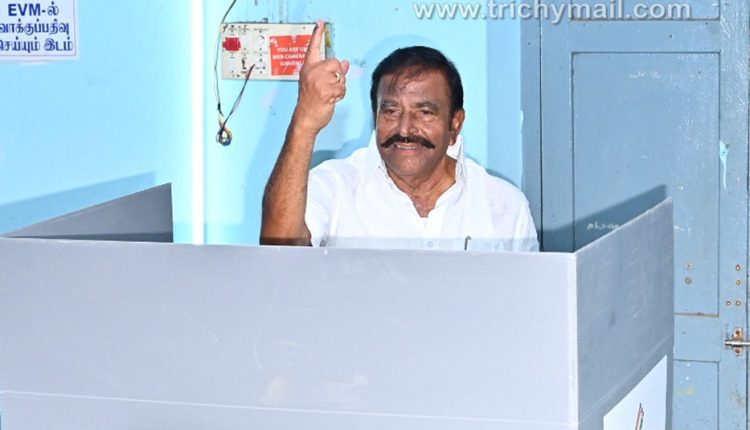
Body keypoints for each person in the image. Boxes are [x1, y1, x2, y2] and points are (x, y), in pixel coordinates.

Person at [260, 21, 538, 252]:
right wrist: (304, 125)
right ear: (375, 115)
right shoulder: (337, 186)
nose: (405, 129)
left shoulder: (504, 205)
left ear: (455, 123)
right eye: (391, 111)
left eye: (424, 112)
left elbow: (527, 297)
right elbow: (278, 254)